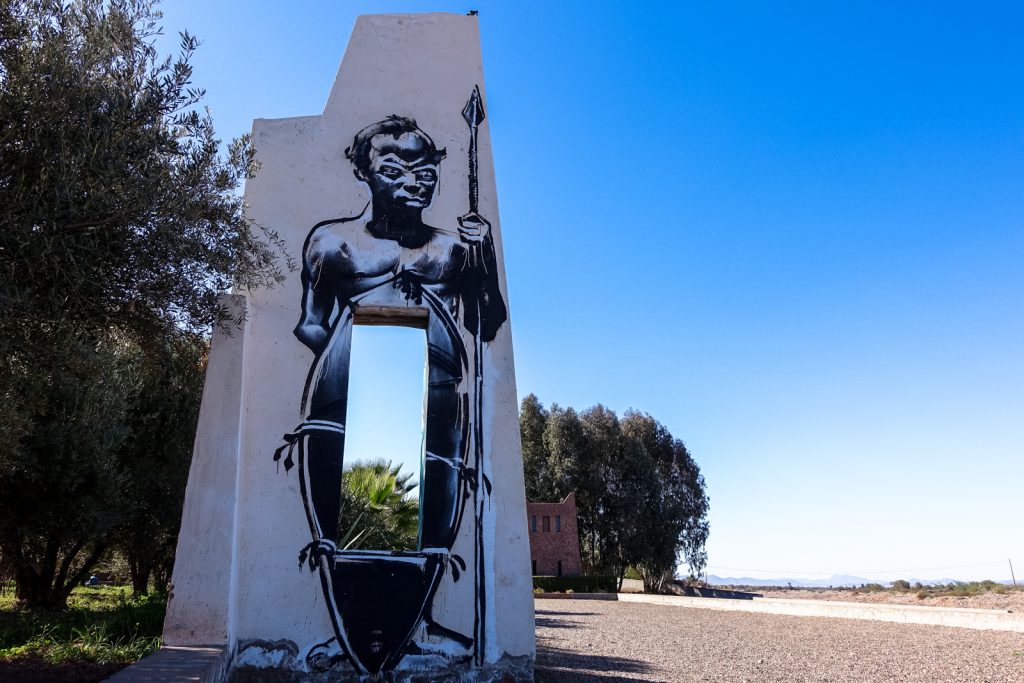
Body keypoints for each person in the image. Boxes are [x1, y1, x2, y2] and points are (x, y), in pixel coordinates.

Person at [279, 115, 506, 566]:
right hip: (351, 400)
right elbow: (310, 323)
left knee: (435, 505)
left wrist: (487, 257)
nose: (413, 183)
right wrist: (350, 376)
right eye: (394, 170)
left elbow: (488, 323)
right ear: (364, 172)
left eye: (425, 172)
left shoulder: (453, 250)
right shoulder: (333, 244)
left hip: (437, 401)